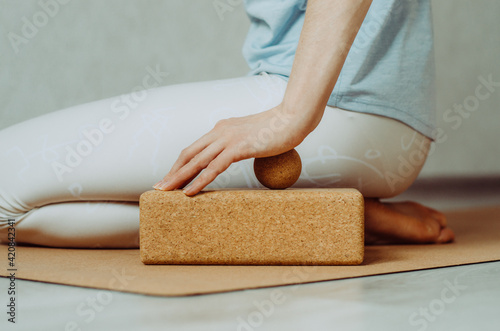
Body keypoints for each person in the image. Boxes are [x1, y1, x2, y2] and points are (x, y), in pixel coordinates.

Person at [0, 0, 454, 248]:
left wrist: (292, 114)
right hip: (366, 122)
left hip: (337, 109)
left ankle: (315, 217)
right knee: (15, 221)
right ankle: (322, 220)